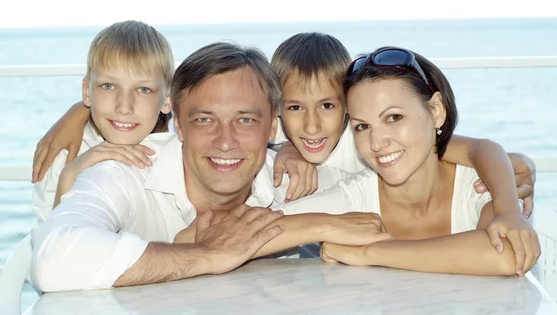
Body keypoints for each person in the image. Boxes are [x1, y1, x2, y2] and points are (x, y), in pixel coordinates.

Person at [30, 42, 390, 292]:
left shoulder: (294, 178)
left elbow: (403, 195)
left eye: (246, 120)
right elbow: (54, 258)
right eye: (204, 120)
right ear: (179, 125)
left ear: (273, 126)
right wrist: (209, 254)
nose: (226, 141)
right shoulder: (125, 171)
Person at [275, 46, 541, 276]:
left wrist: (372, 253)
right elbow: (265, 230)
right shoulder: (355, 196)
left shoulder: (483, 182)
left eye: (394, 118)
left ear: (435, 111)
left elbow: (507, 255)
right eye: (362, 127)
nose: (377, 143)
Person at [270, 32, 536, 216]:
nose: (311, 125)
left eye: (328, 106)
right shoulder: (279, 133)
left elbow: (475, 151)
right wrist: (288, 148)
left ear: (348, 108)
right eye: (295, 107)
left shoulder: (363, 138)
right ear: (279, 111)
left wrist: (521, 166)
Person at [32, 20, 174, 227]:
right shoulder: (65, 157)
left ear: (168, 98)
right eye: (108, 86)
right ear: (86, 91)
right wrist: (70, 175)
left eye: (143, 89)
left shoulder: (177, 154)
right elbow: (50, 249)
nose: (124, 107)